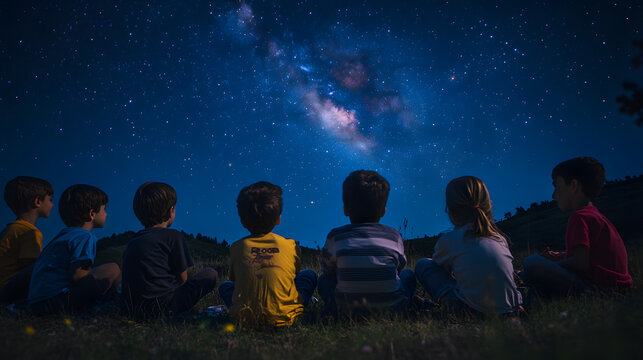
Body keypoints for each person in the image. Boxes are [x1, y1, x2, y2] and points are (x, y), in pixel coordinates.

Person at [521, 157, 633, 299]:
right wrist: (559, 256)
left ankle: (516, 286)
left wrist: (551, 265)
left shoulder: (579, 217)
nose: (553, 195)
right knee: (536, 283)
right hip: (615, 290)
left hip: (598, 292)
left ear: (573, 185)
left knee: (532, 262)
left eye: (556, 186)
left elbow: (580, 262)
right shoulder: (597, 217)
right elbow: (587, 256)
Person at [415, 176, 522, 316]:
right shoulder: (500, 239)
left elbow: (439, 268)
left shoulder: (450, 239)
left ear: (451, 211)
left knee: (424, 265)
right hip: (511, 311)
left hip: (471, 311)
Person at [218, 181, 317, 327]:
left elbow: (235, 280)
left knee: (225, 286)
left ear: (242, 221)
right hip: (287, 317)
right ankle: (303, 304)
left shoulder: (237, 247)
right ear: (278, 219)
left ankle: (240, 309)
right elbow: (293, 275)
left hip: (245, 318)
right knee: (309, 274)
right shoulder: (290, 244)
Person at [318, 170, 415, 315]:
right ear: (383, 211)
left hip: (346, 309)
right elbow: (399, 267)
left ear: (345, 209)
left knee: (323, 280)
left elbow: (328, 270)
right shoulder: (394, 236)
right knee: (408, 274)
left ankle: (333, 308)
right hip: (392, 308)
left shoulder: (335, 237)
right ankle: (405, 302)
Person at [121, 182, 218, 318]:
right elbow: (182, 278)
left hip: (133, 309)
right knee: (210, 274)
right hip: (165, 307)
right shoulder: (173, 236)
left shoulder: (133, 241)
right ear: (170, 211)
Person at [28, 184, 121, 315]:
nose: (106, 214)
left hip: (37, 304)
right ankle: (110, 304)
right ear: (92, 214)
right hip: (59, 302)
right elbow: (78, 275)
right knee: (113, 268)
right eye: (104, 209)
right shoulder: (85, 236)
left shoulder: (60, 238)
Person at [0, 176, 53, 304]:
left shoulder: (10, 229)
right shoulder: (30, 232)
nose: (52, 204)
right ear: (37, 201)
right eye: (50, 200)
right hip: (8, 292)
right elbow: (30, 269)